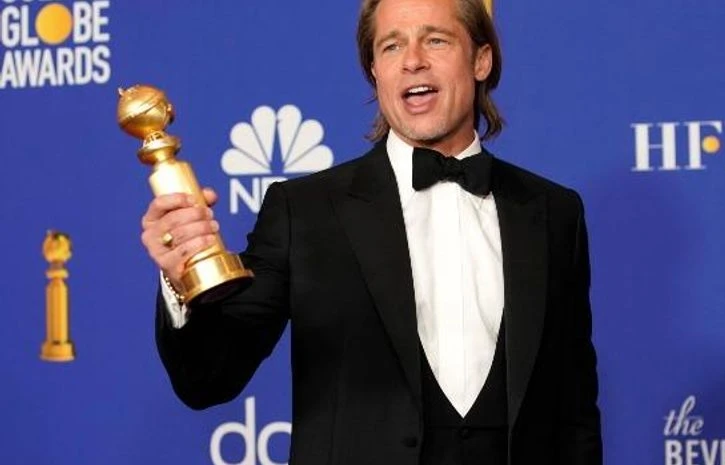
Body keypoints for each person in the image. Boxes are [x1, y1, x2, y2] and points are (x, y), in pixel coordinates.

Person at [141, 0, 602, 463]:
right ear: (375, 71)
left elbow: (575, 413)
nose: (412, 60)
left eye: (436, 40)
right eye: (391, 45)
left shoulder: (553, 212)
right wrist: (182, 280)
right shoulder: (304, 212)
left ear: (481, 60)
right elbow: (208, 379)